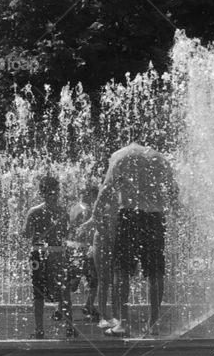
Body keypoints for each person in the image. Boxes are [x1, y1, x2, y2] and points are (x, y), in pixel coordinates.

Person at [80, 143, 180, 337]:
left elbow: (106, 189)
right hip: (155, 217)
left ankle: (123, 322)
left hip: (130, 216)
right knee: (155, 273)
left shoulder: (120, 157)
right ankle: (154, 322)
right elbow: (173, 190)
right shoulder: (159, 158)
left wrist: (95, 216)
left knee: (122, 271)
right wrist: (175, 209)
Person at [22, 175, 76, 339]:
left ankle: (39, 330)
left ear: (41, 192)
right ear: (57, 192)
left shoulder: (34, 211)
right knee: (64, 291)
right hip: (58, 253)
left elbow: (27, 234)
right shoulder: (62, 212)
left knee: (38, 292)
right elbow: (66, 233)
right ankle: (69, 327)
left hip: (39, 253)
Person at [68, 183, 100, 322]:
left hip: (72, 247)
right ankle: (89, 306)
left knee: (71, 280)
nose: (96, 199)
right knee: (95, 279)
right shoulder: (87, 210)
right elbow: (87, 230)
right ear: (89, 194)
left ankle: (60, 308)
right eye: (95, 196)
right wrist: (91, 248)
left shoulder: (73, 207)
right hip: (83, 248)